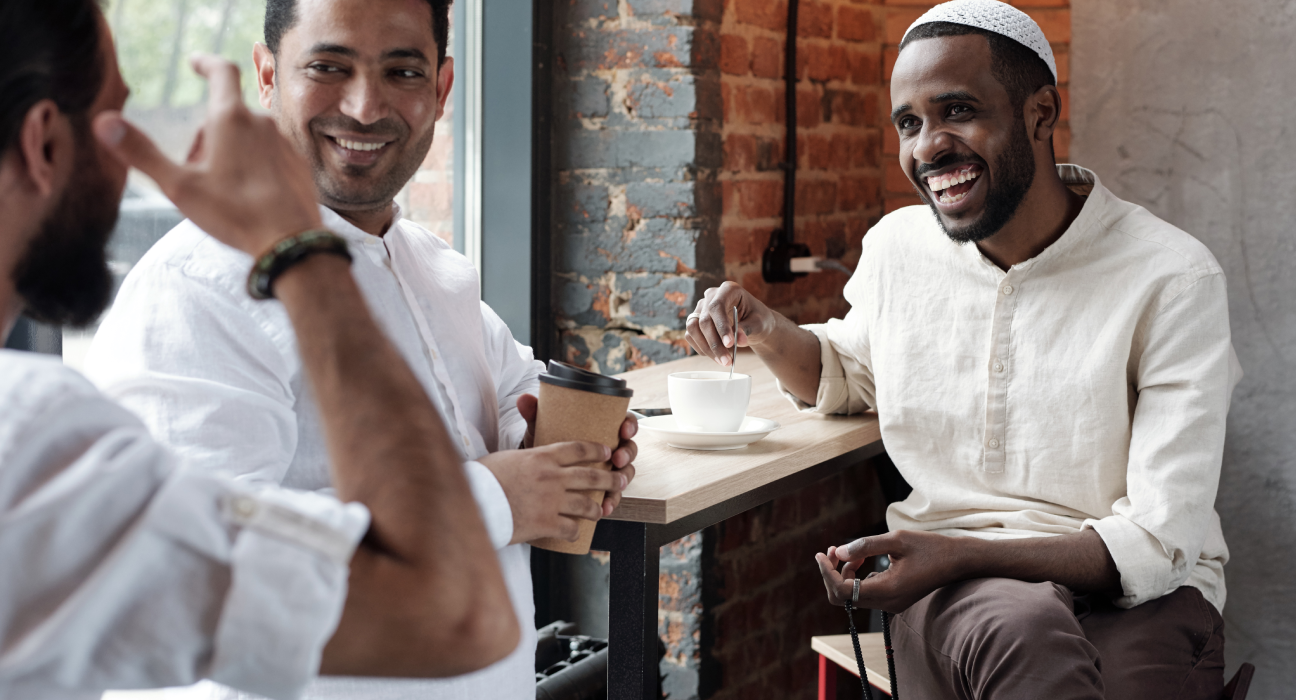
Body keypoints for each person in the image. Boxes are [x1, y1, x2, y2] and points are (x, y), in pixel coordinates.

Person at [0, 0, 625, 695]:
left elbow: (510, 388)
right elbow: (190, 604)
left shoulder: (437, 269)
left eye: (402, 70)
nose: (364, 107)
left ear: (442, 90)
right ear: (266, 75)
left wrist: (552, 440)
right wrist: (496, 496)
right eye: (329, 67)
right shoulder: (190, 289)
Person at [686, 0, 1240, 697]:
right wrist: (766, 327)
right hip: (969, 598)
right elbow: (848, 371)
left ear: (1041, 113)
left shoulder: (1173, 275)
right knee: (1023, 632)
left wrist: (950, 554)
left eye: (957, 110)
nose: (928, 146)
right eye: (909, 124)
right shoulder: (898, 249)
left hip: (1141, 588)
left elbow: (1160, 539)